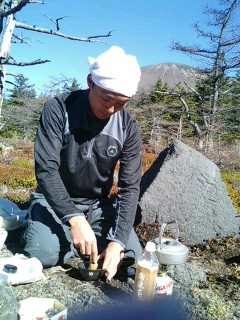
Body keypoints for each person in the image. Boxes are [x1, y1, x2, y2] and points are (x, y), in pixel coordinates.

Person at [23, 46, 143, 281]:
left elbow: (130, 188)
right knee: (42, 253)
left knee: (130, 256)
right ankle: (51, 226)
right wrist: (73, 217)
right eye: (106, 99)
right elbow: (46, 169)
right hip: (53, 199)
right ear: (90, 82)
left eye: (121, 104)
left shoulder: (128, 127)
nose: (110, 109)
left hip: (97, 206)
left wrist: (118, 241)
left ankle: (83, 241)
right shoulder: (59, 108)